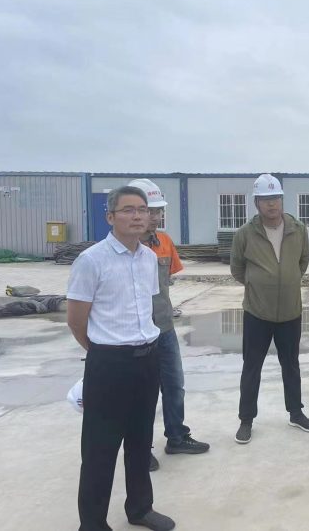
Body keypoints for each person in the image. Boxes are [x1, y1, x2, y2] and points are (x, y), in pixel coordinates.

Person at [67, 185, 175, 531]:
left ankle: (140, 508)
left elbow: (145, 309)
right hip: (109, 364)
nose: (138, 216)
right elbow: (76, 320)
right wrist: (103, 352)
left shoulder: (148, 258)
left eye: (143, 210)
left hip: (147, 361)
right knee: (100, 448)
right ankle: (92, 523)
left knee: (140, 441)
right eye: (129, 210)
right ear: (110, 217)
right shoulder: (91, 260)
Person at [128, 179, 210, 472]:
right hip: (134, 334)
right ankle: (140, 448)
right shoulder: (123, 248)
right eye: (150, 210)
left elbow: (167, 282)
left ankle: (177, 436)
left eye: (158, 211)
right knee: (141, 393)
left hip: (163, 328)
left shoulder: (164, 243)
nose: (154, 216)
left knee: (174, 386)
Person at [231, 174, 309, 444]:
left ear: (282, 199)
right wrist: (258, 284)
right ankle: (246, 419)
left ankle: (296, 413)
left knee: (291, 365)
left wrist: (288, 280)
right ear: (256, 203)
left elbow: (303, 260)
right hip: (257, 312)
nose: (272, 204)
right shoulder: (245, 234)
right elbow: (237, 268)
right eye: (266, 199)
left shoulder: (298, 229)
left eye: (276, 198)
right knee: (252, 367)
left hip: (290, 311)